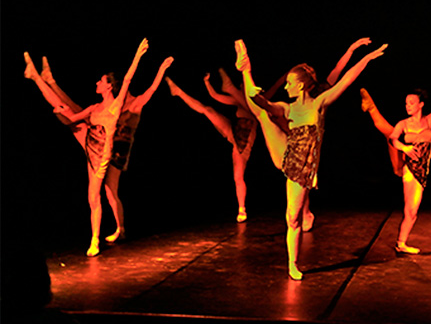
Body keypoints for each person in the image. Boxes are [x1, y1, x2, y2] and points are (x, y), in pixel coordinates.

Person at [235, 38, 387, 280]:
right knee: (262, 114)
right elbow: (264, 104)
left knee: (292, 217)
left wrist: (366, 58)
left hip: (303, 168)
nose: (286, 87)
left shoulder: (319, 104)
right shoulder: (287, 108)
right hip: (286, 154)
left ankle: (296, 253)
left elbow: (346, 78)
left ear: (301, 86)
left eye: (289, 84)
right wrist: (254, 90)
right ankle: (246, 68)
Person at [24, 38, 150, 256]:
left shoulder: (117, 104)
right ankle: (39, 78)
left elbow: (128, 79)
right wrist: (60, 113)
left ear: (109, 86)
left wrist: (138, 55)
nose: (97, 83)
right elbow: (72, 118)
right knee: (69, 109)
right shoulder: (94, 107)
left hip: (105, 153)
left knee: (104, 194)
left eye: (101, 81)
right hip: (91, 143)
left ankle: (106, 235)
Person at [361, 65, 431, 255]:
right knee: (410, 211)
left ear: (421, 104)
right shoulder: (403, 123)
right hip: (408, 168)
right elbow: (393, 139)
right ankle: (401, 243)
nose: (407, 106)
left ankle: (401, 243)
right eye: (406, 103)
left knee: (412, 212)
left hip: (422, 169)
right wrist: (405, 147)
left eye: (411, 103)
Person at [166, 69, 258, 223]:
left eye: (242, 86)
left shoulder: (255, 102)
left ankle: (242, 208)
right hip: (232, 131)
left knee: (238, 176)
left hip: (242, 143)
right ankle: (178, 92)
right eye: (240, 86)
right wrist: (207, 82)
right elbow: (215, 96)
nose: (242, 87)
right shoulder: (237, 101)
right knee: (207, 110)